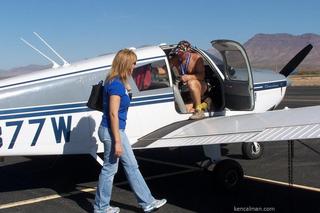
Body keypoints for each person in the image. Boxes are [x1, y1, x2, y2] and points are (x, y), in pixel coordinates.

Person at [94, 49, 167, 213]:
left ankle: (147, 202)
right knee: (110, 169)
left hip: (115, 131)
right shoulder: (116, 84)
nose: (135, 66)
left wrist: (127, 84)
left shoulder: (115, 81)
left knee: (130, 166)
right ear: (126, 63)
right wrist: (117, 141)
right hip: (113, 132)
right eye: (133, 63)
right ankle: (101, 207)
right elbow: (113, 113)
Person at [169, 40, 211, 120]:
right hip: (186, 90)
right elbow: (164, 69)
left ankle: (199, 111)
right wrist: (154, 70)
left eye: (181, 54)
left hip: (199, 86)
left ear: (188, 52)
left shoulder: (196, 58)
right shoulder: (177, 58)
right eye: (178, 53)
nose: (179, 56)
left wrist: (188, 77)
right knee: (186, 111)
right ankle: (206, 102)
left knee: (192, 82)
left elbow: (202, 76)